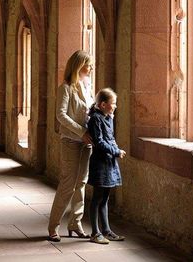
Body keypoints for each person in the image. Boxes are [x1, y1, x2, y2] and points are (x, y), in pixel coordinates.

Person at [47, 50, 94, 242]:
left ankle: (75, 223)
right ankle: (53, 226)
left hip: (87, 142)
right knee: (68, 183)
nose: (91, 68)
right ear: (79, 65)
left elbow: (89, 110)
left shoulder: (87, 85)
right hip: (71, 141)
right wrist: (81, 132)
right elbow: (61, 115)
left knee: (81, 183)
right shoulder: (65, 88)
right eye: (88, 64)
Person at [87, 87, 126, 244]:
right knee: (97, 198)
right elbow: (99, 141)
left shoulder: (108, 117)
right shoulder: (95, 119)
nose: (115, 106)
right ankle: (95, 233)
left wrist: (115, 150)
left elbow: (110, 137)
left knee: (105, 198)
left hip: (110, 161)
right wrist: (115, 151)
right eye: (113, 103)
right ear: (103, 104)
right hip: (100, 162)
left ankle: (107, 230)